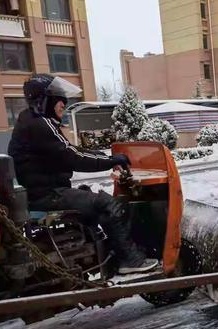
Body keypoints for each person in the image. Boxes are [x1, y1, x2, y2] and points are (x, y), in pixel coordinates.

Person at [8, 74, 158, 275]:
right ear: (44, 100)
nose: (64, 103)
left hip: (41, 192)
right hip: (47, 195)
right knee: (107, 204)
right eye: (58, 99)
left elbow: (70, 149)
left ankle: (109, 253)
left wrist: (106, 156)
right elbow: (73, 157)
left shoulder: (32, 122)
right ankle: (129, 259)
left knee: (89, 198)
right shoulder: (40, 124)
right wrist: (112, 161)